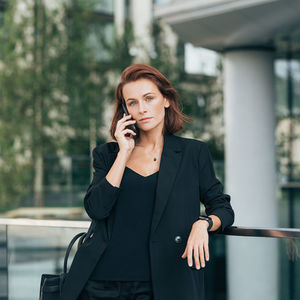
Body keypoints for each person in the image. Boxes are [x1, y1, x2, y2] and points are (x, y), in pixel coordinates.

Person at [61, 63, 234, 300]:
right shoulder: (108, 154)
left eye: (149, 98)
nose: (142, 108)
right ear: (125, 110)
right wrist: (123, 153)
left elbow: (222, 207)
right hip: (99, 283)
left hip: (163, 283)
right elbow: (97, 209)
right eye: (132, 102)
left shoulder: (193, 153)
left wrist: (203, 224)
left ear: (166, 100)